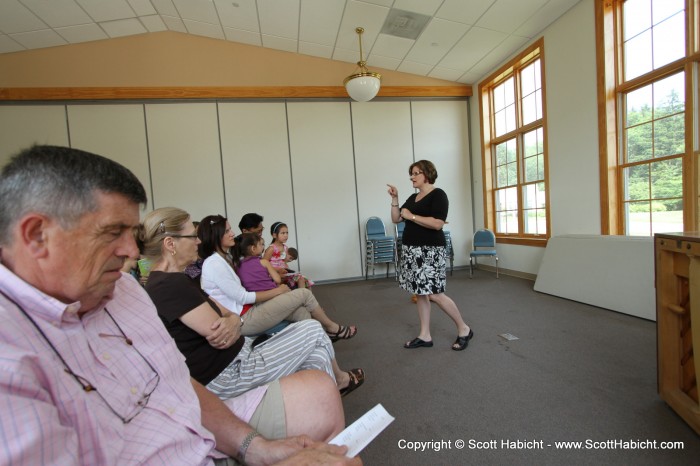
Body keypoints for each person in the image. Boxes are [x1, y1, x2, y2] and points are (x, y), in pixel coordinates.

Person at [0, 145, 360, 465]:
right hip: (215, 395)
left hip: (203, 425)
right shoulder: (11, 355)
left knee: (321, 393)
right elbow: (223, 322)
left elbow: (179, 381)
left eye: (133, 234)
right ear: (36, 236)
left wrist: (254, 447)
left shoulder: (124, 291)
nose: (130, 252)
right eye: (113, 233)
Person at [143, 209, 364, 399]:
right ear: (170, 244)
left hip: (237, 356)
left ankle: (329, 401)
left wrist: (230, 319)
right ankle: (334, 386)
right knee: (313, 328)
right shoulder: (169, 286)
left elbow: (225, 316)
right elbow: (221, 333)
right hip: (231, 372)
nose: (198, 241)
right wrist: (231, 319)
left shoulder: (175, 280)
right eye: (192, 236)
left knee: (317, 354)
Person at [199, 215, 358, 343]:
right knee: (304, 294)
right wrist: (278, 291)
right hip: (243, 318)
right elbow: (243, 296)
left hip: (249, 310)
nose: (232, 233)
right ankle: (333, 328)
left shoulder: (225, 259)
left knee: (302, 313)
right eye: (227, 231)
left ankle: (333, 370)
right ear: (216, 236)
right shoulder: (214, 264)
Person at [387, 159, 474, 351]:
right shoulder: (412, 197)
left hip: (430, 251)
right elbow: (396, 218)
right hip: (412, 250)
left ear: (427, 174)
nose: (412, 177)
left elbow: (437, 223)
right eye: (411, 173)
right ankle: (425, 335)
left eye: (416, 173)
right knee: (421, 293)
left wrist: (412, 217)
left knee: (435, 293)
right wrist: (395, 199)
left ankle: (464, 328)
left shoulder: (438, 195)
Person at [263, 221, 313, 289]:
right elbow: (263, 265)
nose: (286, 235)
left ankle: (304, 296)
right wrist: (278, 269)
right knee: (285, 282)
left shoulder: (285, 247)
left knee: (301, 279)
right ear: (274, 235)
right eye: (283, 233)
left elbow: (284, 261)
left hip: (285, 273)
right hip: (274, 274)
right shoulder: (271, 249)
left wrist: (289, 259)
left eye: (287, 233)